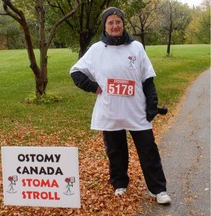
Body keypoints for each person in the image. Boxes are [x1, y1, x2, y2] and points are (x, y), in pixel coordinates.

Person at [69, 7, 171, 204]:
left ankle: (158, 189)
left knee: (148, 149)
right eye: (110, 23)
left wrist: (152, 104)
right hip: (110, 110)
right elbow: (76, 72)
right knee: (115, 149)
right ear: (105, 27)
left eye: (118, 22)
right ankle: (119, 183)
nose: (115, 26)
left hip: (136, 111)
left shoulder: (137, 48)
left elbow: (147, 78)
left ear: (123, 24)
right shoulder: (97, 50)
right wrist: (93, 87)